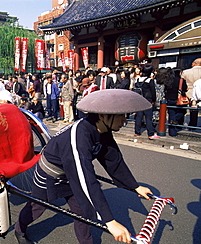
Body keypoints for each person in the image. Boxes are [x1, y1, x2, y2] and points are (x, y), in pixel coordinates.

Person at [14, 89, 153, 244]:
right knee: (37, 207)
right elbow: (85, 179)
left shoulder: (103, 130)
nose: (124, 121)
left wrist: (134, 186)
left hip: (72, 172)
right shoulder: (79, 137)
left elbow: (114, 161)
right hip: (50, 173)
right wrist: (110, 221)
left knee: (83, 211)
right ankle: (19, 229)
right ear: (102, 116)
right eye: (120, 116)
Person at [132, 65, 160, 140]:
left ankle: (137, 132)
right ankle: (150, 134)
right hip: (147, 100)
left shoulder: (138, 79)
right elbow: (153, 91)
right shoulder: (149, 80)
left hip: (139, 100)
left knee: (139, 117)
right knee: (148, 118)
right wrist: (154, 100)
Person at [163, 68, 188, 136]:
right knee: (182, 111)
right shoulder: (181, 80)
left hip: (169, 99)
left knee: (171, 114)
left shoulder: (168, 80)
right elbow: (185, 89)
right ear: (179, 73)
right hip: (178, 99)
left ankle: (172, 132)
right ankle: (175, 119)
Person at [182, 58, 201, 128]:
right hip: (200, 92)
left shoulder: (186, 72)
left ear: (194, 64)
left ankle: (191, 124)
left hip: (189, 92)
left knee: (191, 109)